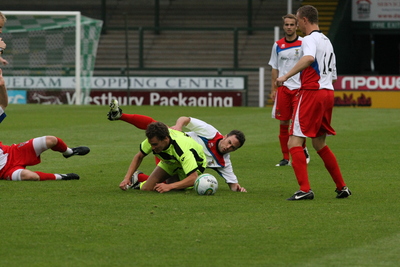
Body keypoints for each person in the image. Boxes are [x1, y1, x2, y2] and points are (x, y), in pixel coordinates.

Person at [275, 5, 351, 200]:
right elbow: (333, 75)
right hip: (327, 93)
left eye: (298, 21)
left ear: (305, 20)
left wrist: (286, 76)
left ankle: (305, 189)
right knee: (319, 142)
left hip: (312, 93)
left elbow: (308, 58)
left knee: (294, 141)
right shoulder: (327, 41)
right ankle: (342, 187)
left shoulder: (308, 40)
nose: (298, 24)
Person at [108, 100, 247, 192]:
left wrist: (238, 189)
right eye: (229, 142)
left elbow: (233, 184)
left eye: (233, 148)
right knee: (156, 128)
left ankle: (139, 179)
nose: (228, 147)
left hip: (185, 162)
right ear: (225, 136)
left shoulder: (224, 162)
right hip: (173, 150)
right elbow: (185, 119)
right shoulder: (210, 132)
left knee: (173, 186)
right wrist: (178, 126)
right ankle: (120, 115)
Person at [118, 120, 207, 193]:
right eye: (151, 144)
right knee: (146, 189)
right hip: (171, 162)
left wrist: (170, 186)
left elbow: (193, 177)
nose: (152, 148)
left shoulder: (182, 149)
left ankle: (170, 181)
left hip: (196, 164)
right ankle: (137, 181)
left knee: (177, 188)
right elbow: (139, 156)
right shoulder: (153, 139)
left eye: (155, 144)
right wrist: (126, 178)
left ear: (165, 139)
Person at [268, 14, 309, 167]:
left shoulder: (304, 43)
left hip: (299, 88)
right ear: (283, 26)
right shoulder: (277, 45)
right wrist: (273, 89)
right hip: (284, 89)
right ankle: (285, 157)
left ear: (297, 26)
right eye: (287, 25)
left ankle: (302, 150)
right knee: (283, 122)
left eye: (292, 24)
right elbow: (274, 68)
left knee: (297, 123)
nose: (289, 27)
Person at [0, 136, 90, 181]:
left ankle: (69, 152)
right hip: (5, 171)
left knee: (51, 140)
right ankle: (61, 176)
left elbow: (3, 105)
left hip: (13, 151)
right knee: (31, 176)